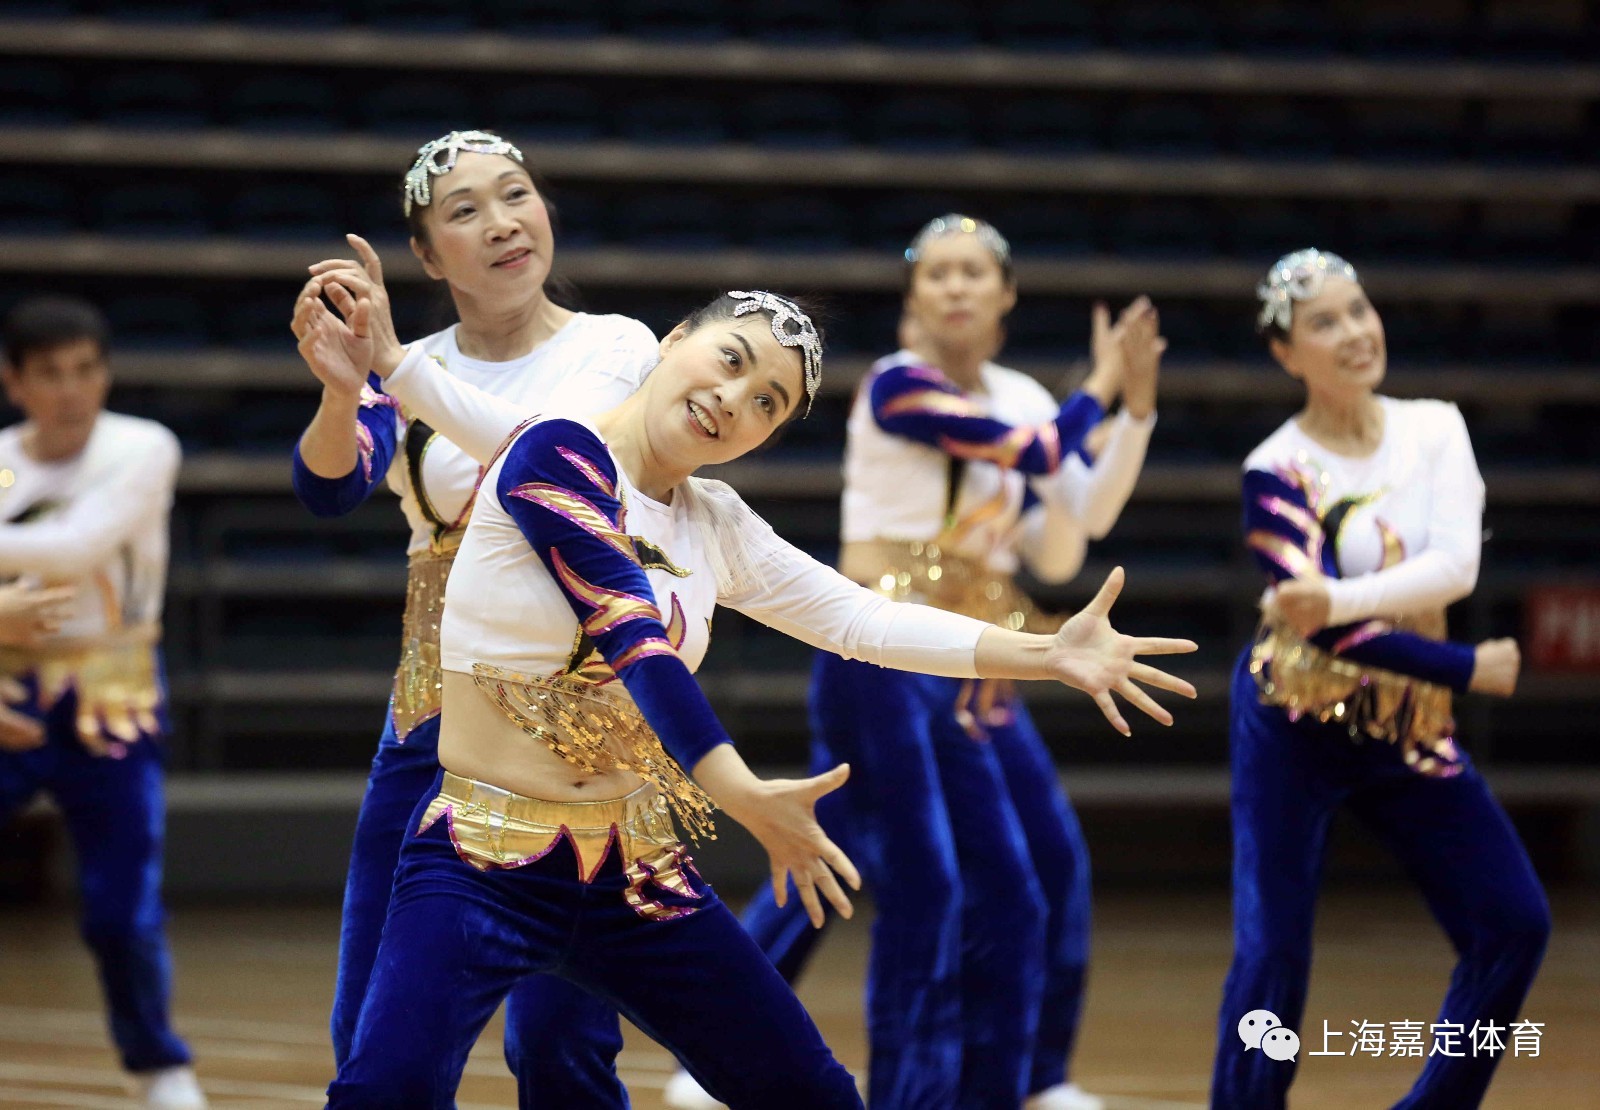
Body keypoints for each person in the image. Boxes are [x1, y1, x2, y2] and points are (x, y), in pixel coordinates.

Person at [294, 274, 1196, 1108]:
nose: (735, 399)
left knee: (810, 1093)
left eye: (768, 401)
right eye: (729, 360)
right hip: (480, 861)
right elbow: (635, 640)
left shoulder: (715, 522)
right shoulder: (554, 455)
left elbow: (860, 620)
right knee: (383, 1094)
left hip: (633, 871)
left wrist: (1047, 654)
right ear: (675, 340)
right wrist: (742, 794)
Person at [670, 214, 1163, 1110]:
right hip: (886, 657)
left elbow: (1066, 537)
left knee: (1013, 865)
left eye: (975, 271)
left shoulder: (1019, 394)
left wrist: (1137, 406)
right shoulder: (900, 385)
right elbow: (1049, 452)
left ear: (1006, 292)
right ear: (913, 296)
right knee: (936, 881)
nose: (957, 288)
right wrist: (1102, 384)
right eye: (937, 273)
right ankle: (891, 1084)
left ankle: (1028, 1078)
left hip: (975, 660)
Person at [289, 129, 658, 1106]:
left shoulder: (615, 346)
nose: (501, 224)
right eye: (464, 211)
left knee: (563, 1041)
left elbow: (546, 455)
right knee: (375, 1035)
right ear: (424, 255)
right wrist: (343, 390)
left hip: (571, 733)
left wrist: (394, 368)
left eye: (516, 195)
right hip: (429, 722)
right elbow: (330, 486)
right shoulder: (397, 370)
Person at [1211, 249, 1549, 1109]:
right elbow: (1315, 632)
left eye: (1359, 310)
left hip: (1407, 722)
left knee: (1513, 923)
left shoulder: (1435, 427)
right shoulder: (1273, 470)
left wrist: (1335, 599)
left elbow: (1453, 571)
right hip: (1292, 721)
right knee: (1272, 952)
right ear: (1287, 355)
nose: (1354, 333)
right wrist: (1465, 664)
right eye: (1324, 323)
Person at [0, 295, 206, 1109]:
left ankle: (160, 1064)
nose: (71, 391)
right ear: (14, 382)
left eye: (87, 370)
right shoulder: (3, 462)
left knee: (122, 908)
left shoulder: (140, 447)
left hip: (110, 690)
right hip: (6, 679)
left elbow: (75, 547)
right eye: (50, 374)